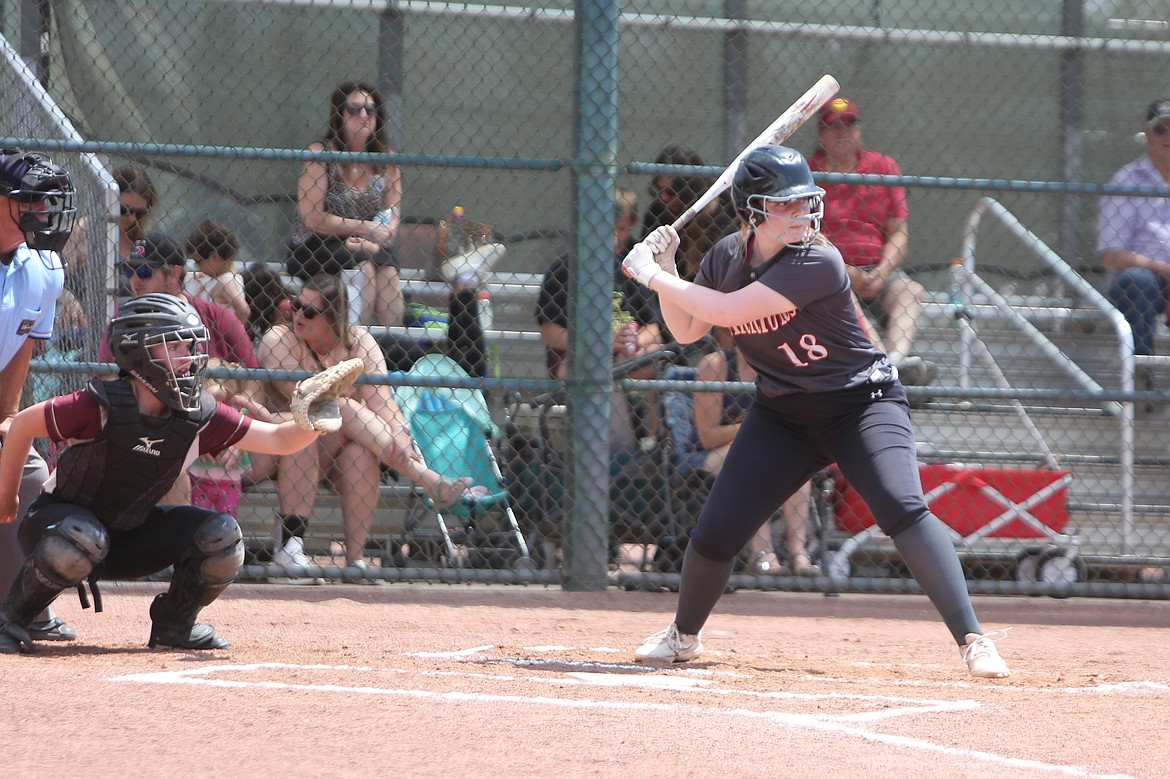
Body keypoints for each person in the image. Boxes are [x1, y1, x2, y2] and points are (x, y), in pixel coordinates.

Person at [621, 144, 1010, 678]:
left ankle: (973, 639)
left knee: (902, 508)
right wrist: (665, 266)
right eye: (786, 205)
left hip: (861, 405)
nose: (802, 213)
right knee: (716, 533)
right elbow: (688, 327)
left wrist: (653, 277)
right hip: (784, 414)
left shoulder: (817, 260)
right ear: (751, 211)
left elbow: (729, 310)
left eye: (806, 201)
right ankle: (683, 636)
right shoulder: (724, 258)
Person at [0, 294, 338, 654]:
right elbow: (21, 425)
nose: (187, 357)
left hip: (126, 537)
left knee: (222, 537)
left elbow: (277, 440)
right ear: (137, 351)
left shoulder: (197, 415)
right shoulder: (99, 405)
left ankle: (175, 623)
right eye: (173, 346)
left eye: (190, 346)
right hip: (57, 530)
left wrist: (311, 420)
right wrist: (8, 497)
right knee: (83, 534)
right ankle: (13, 619)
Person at [258, 273, 482, 579]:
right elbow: (305, 399)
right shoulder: (278, 339)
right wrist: (349, 404)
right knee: (339, 410)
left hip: (331, 447)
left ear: (333, 317)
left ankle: (355, 559)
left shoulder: (359, 340)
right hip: (280, 445)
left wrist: (401, 434)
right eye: (297, 305)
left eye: (310, 311)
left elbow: (382, 402)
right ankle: (427, 480)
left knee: (360, 456)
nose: (298, 315)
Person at [0, 148, 76, 643]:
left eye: (45, 202)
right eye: (27, 201)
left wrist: (9, 416)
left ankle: (20, 606)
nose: (41, 212)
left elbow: (22, 345)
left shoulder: (44, 268)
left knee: (25, 467)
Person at [807, 97, 936, 387]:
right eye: (835, 127)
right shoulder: (808, 171)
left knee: (910, 290)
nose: (844, 133)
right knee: (841, 291)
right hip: (831, 270)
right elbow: (805, 234)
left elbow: (899, 233)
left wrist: (883, 271)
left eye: (850, 126)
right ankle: (881, 362)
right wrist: (845, 270)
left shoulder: (883, 166)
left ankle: (896, 360)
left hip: (878, 268)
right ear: (820, 135)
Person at [692, 327, 819, 577]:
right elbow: (707, 436)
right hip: (715, 456)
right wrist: (756, 428)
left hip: (769, 450)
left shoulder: (783, 368)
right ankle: (762, 552)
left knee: (793, 459)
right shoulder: (716, 365)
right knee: (755, 455)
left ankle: (798, 553)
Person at [289, 80, 403, 328]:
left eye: (370, 110)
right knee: (365, 269)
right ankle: (354, 343)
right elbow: (313, 218)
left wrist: (381, 235)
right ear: (339, 115)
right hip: (316, 244)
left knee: (389, 272)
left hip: (368, 242)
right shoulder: (321, 155)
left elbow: (392, 213)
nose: (362, 115)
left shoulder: (386, 160)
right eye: (353, 109)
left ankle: (392, 344)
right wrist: (364, 228)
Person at [1097, 98, 1170, 400]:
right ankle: (1141, 378)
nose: (1169, 137)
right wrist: (1162, 269)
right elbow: (1111, 254)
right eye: (1161, 129)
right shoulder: (1126, 180)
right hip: (1145, 279)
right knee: (1137, 282)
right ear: (1148, 135)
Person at [63, 163, 158, 302]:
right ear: (109, 202)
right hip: (87, 316)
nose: (132, 219)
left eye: (140, 213)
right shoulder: (81, 231)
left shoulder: (141, 241)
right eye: (124, 210)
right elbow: (54, 280)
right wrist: (68, 300)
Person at [641, 144, 733, 281]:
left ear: (692, 187)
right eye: (658, 190)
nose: (664, 197)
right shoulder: (657, 211)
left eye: (672, 192)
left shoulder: (725, 206)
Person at [185, 218, 250, 325]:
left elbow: (244, 310)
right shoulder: (223, 278)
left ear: (213, 257)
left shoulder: (226, 281)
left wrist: (230, 334)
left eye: (198, 262)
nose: (198, 268)